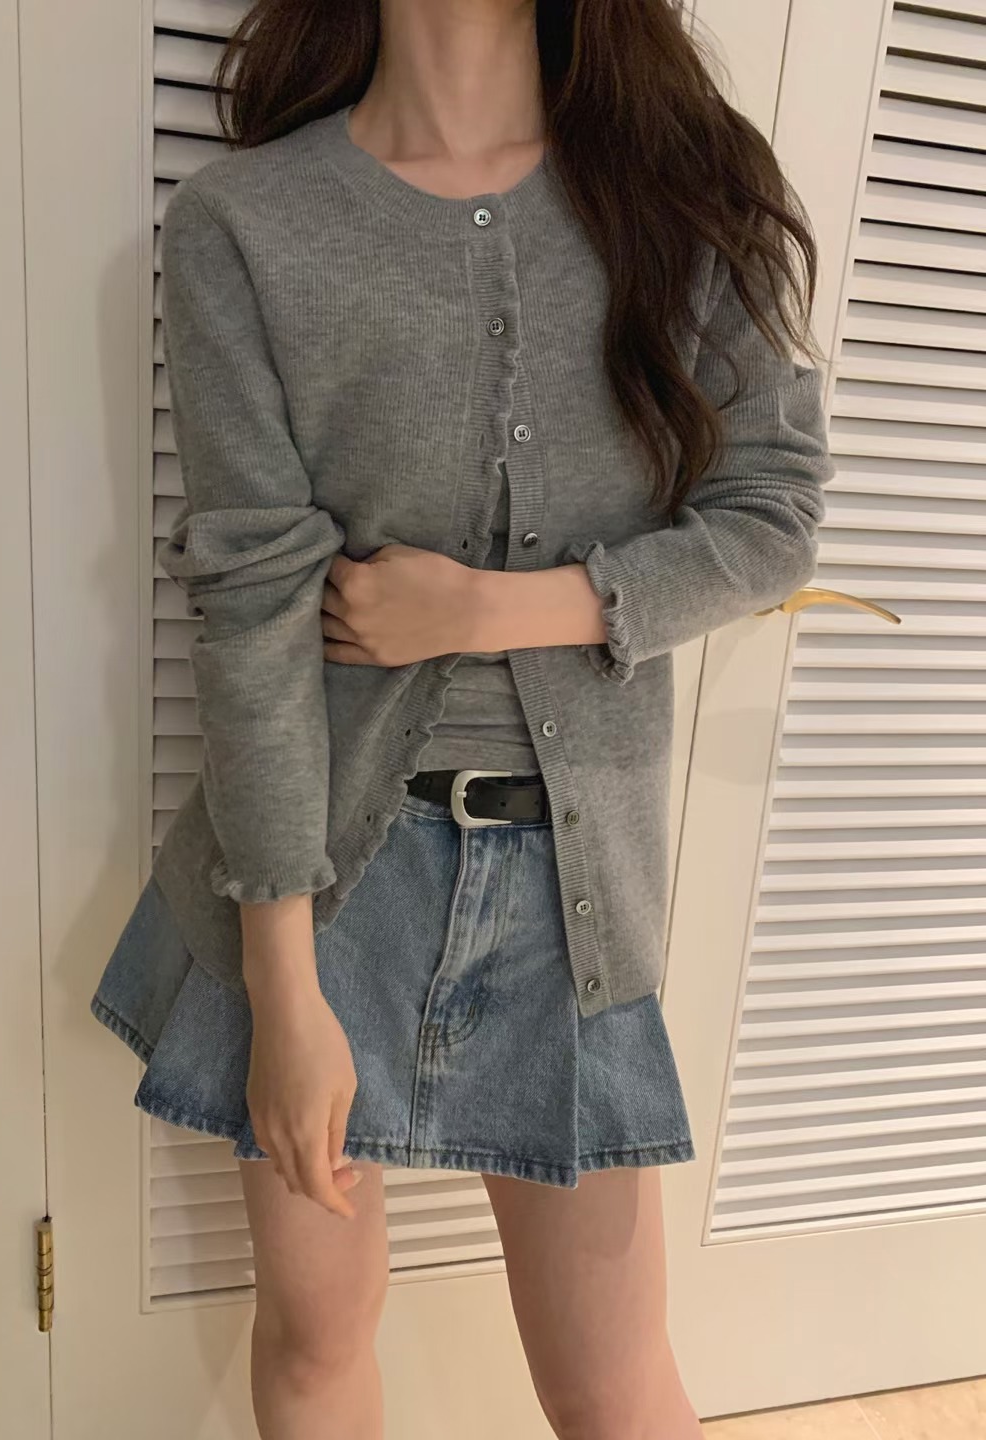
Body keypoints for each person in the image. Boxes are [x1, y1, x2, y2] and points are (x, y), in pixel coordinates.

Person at [90, 1, 835, 1435]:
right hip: (321, 877)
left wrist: (490, 609)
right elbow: (251, 612)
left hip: (577, 884)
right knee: (315, 1330)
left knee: (613, 1379)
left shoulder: (680, 183)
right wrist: (283, 989)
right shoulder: (247, 225)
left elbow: (772, 519)